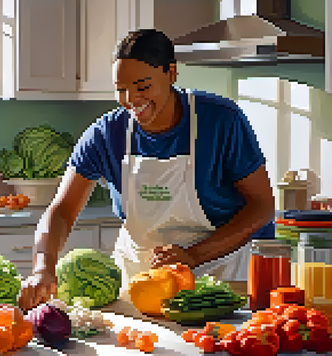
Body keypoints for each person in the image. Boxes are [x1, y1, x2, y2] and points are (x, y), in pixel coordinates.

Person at [17, 29, 275, 311]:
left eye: (142, 86)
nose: (131, 99)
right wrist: (43, 266)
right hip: (142, 281)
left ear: (171, 73)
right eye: (121, 89)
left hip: (217, 278)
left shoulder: (221, 120)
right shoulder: (106, 134)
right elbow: (62, 209)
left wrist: (193, 255)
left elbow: (262, 206)